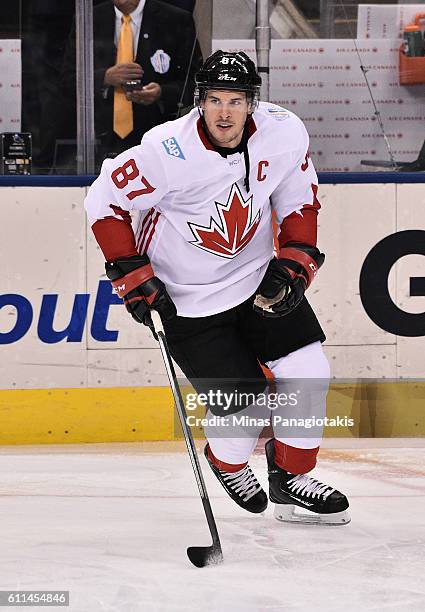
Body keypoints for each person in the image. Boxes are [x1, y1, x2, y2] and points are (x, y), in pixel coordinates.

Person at [84, 50, 350, 525]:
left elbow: (298, 196)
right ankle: (226, 461)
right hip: (185, 299)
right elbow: (104, 201)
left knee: (309, 371)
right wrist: (133, 275)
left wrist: (294, 259)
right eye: (214, 100)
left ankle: (291, 479)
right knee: (244, 409)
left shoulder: (283, 132)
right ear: (199, 102)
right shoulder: (166, 150)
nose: (224, 112)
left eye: (236, 100)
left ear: (252, 103)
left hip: (254, 282)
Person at [59, 0, 202, 169]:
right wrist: (104, 77)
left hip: (158, 142)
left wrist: (161, 93)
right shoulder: (89, 19)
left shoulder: (175, 20)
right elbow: (67, 81)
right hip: (99, 144)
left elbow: (196, 83)